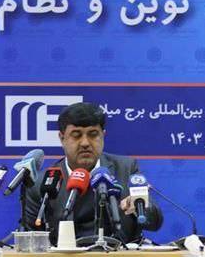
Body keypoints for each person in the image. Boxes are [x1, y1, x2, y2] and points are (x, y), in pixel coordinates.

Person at [23, 102, 163, 244]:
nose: (85, 143)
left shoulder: (125, 168)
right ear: (62, 138)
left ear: (103, 135)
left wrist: (139, 207)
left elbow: (155, 222)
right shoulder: (42, 183)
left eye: (93, 134)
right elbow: (32, 240)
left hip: (119, 256)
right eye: (76, 135)